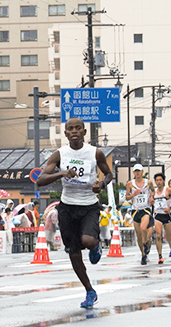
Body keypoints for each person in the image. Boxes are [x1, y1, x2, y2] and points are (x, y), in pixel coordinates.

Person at [37, 117, 112, 309]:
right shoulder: (59, 154)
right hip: (67, 207)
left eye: (78, 128)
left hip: (89, 206)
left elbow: (109, 173)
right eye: (70, 129)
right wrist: (61, 173)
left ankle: (96, 246)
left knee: (87, 240)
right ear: (66, 133)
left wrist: (101, 184)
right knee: (74, 253)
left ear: (84, 132)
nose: (74, 132)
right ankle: (89, 290)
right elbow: (41, 179)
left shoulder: (95, 153)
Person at [125, 164, 155, 265]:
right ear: (133, 172)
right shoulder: (130, 183)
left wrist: (151, 198)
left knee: (143, 229)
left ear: (142, 172)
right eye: (135, 171)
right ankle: (143, 254)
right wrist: (134, 194)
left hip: (145, 209)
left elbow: (153, 191)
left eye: (139, 171)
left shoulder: (148, 182)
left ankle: (146, 243)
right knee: (138, 235)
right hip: (135, 210)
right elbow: (127, 197)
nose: (137, 173)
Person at [153, 173, 171, 263]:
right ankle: (160, 256)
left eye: (160, 180)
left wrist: (170, 208)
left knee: (169, 235)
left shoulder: (168, 190)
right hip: (158, 215)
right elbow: (151, 201)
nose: (158, 182)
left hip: (167, 215)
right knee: (158, 235)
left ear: (163, 181)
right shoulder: (154, 191)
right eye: (157, 180)